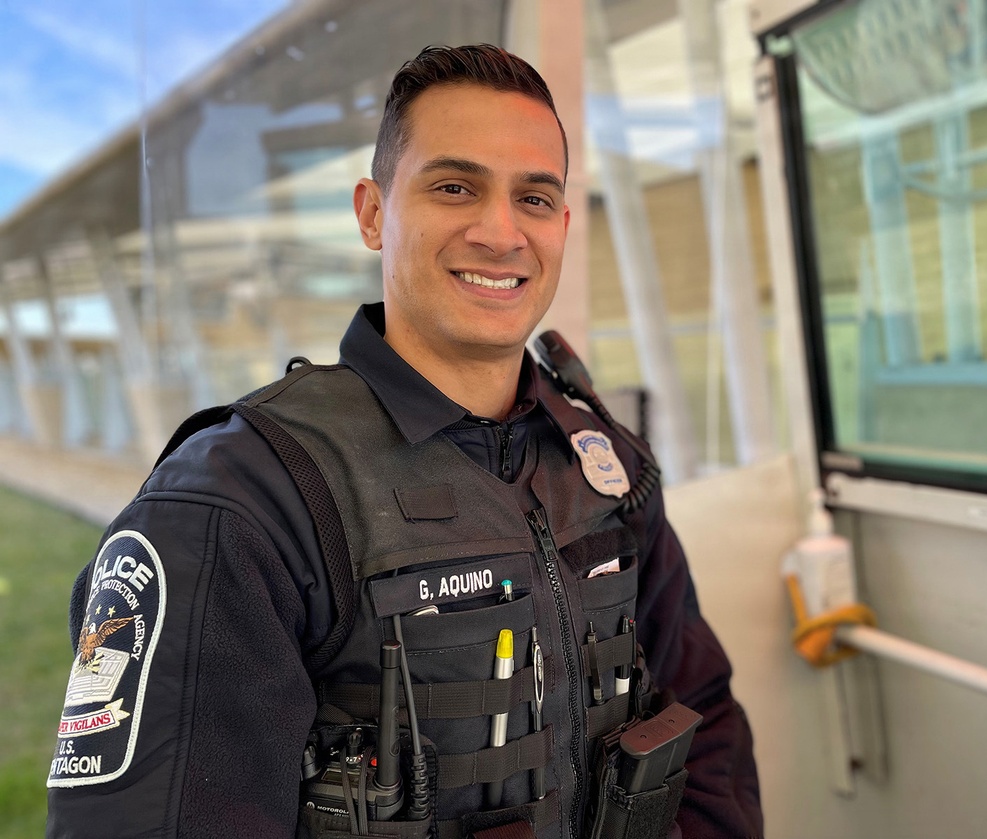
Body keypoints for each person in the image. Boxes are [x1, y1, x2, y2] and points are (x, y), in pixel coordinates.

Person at [46, 44, 763, 839]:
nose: (501, 232)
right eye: (455, 187)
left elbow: (706, 720)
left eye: (533, 198)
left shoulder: (603, 465)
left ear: (562, 226)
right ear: (372, 212)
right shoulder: (239, 501)